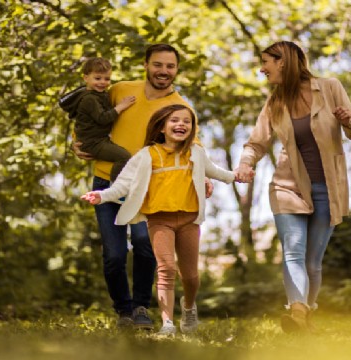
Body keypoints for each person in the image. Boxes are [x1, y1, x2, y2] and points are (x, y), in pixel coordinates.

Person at [72, 44, 214, 330]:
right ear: (146, 65)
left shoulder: (180, 106)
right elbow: (88, 113)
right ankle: (123, 310)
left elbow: (192, 144)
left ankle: (140, 308)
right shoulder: (121, 89)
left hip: (148, 188)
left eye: (170, 66)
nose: (164, 71)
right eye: (158, 64)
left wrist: (205, 175)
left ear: (176, 70)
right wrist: (77, 143)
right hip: (107, 179)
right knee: (113, 255)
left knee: (143, 245)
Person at [82, 104, 247, 336]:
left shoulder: (196, 153)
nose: (181, 125)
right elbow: (123, 184)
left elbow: (215, 171)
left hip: (189, 219)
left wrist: (236, 177)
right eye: (174, 121)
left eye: (186, 122)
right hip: (160, 220)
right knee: (166, 268)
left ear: (192, 128)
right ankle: (167, 323)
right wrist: (101, 195)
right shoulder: (146, 155)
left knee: (189, 275)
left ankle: (189, 307)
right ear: (161, 127)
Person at [235, 41, 351, 333]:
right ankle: (296, 314)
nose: (261, 69)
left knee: (312, 263)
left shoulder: (329, 88)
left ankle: (306, 316)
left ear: (283, 62)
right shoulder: (275, 102)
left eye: (265, 62)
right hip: (288, 186)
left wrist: (348, 122)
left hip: (327, 188)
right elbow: (256, 142)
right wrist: (245, 163)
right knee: (293, 252)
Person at [59, 57, 135, 182]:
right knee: (124, 157)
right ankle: (116, 187)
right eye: (97, 78)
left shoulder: (100, 94)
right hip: (93, 142)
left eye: (107, 79)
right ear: (86, 78)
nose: (103, 82)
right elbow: (103, 119)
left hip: (98, 139)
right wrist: (121, 107)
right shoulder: (89, 99)